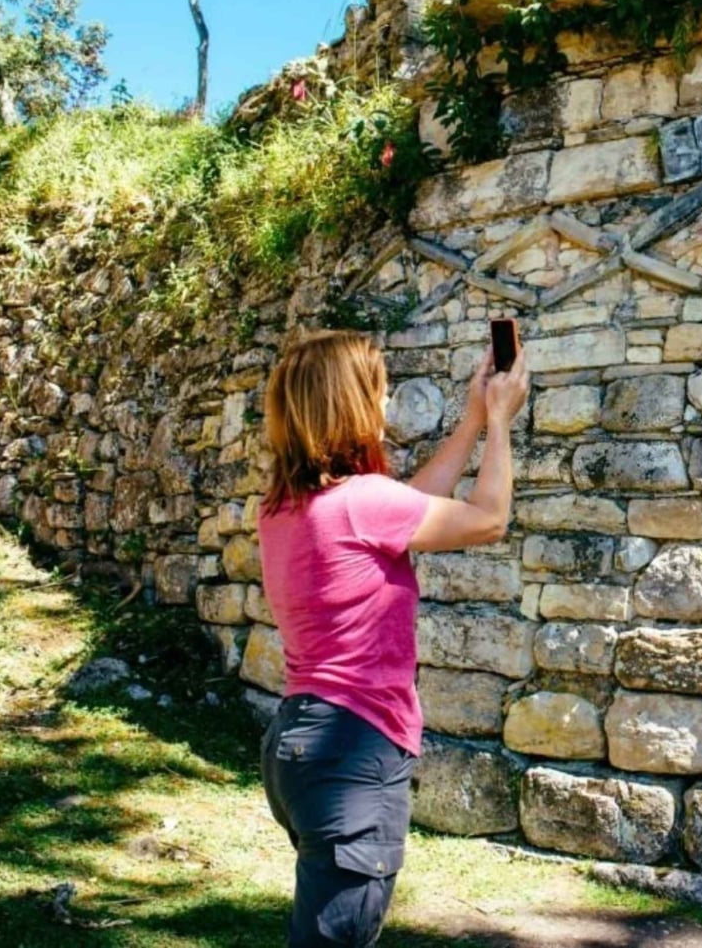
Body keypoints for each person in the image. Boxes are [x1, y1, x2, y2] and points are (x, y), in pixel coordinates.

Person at [255, 328, 530, 947]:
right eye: (378, 393)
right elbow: (487, 519)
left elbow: (405, 507)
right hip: (353, 751)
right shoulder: (361, 504)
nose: (385, 407)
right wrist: (502, 422)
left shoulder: (285, 506)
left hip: (300, 746)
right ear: (348, 404)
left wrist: (471, 420)